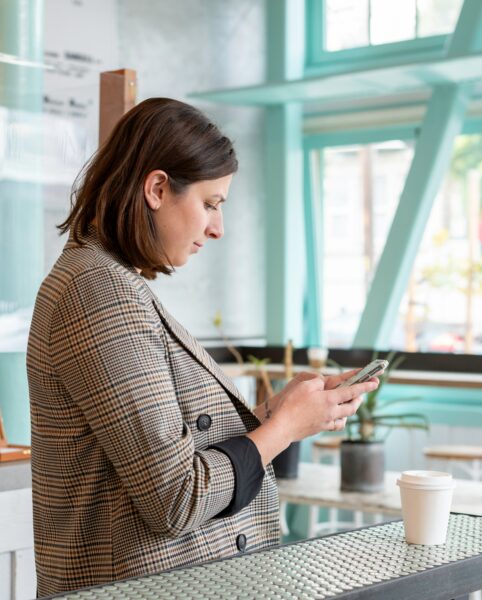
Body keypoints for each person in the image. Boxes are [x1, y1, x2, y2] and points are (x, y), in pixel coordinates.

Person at [26, 97, 377, 597]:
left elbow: (167, 449)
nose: (218, 227)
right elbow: (178, 497)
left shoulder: (111, 283)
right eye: (210, 204)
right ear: (157, 188)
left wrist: (270, 415)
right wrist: (283, 429)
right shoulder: (97, 292)